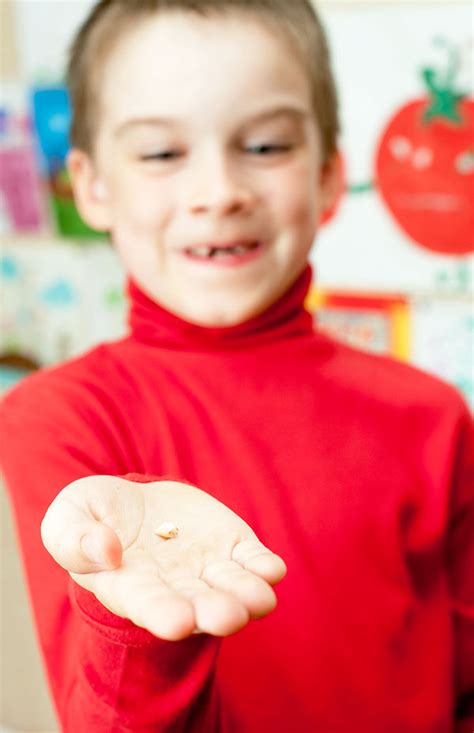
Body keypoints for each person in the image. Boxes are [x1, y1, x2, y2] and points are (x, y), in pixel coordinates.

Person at [0, 1, 473, 731]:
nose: (219, 192)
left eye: (265, 147)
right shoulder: (57, 416)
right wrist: (139, 624)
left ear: (328, 176)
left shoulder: (434, 416)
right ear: (91, 185)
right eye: (161, 154)